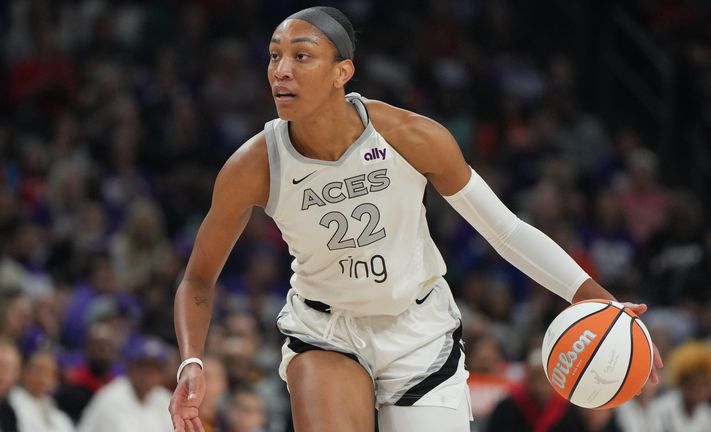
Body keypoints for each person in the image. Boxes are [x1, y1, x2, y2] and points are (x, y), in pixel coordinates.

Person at [168, 6, 662, 432]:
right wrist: (191, 360)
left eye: (301, 56)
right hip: (326, 331)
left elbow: (505, 231)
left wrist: (599, 298)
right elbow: (198, 279)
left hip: (419, 331)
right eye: (274, 56)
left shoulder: (410, 136)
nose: (281, 70)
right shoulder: (253, 164)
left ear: (343, 72)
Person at [79, 337, 173, 432]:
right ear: (130, 368)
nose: (149, 375)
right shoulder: (112, 398)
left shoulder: (163, 398)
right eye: (144, 368)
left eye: (156, 369)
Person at [8, 350, 75, 432]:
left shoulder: (59, 415)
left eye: (50, 373)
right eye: (38, 371)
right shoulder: (10, 404)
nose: (43, 379)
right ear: (23, 372)